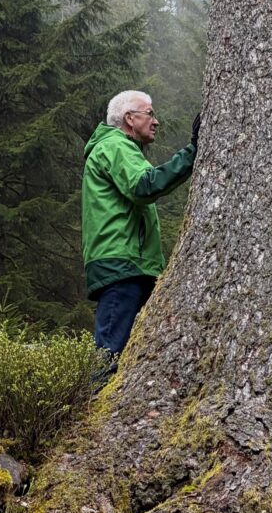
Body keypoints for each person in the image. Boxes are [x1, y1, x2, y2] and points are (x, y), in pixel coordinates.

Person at [81, 90, 200, 381]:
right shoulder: (115, 146)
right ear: (129, 119)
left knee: (132, 356)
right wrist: (194, 150)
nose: (156, 121)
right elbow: (145, 185)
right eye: (149, 113)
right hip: (122, 263)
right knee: (109, 355)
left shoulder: (121, 148)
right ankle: (91, 415)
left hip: (130, 263)